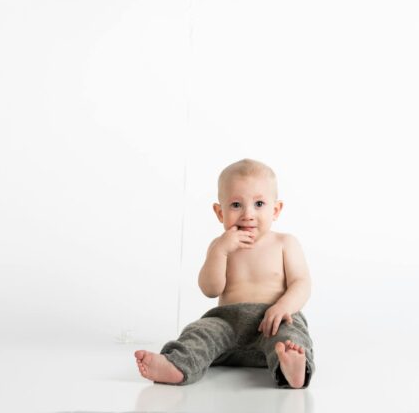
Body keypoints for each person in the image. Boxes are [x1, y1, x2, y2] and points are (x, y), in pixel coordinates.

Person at [135, 158, 315, 388]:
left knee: (290, 336)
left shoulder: (285, 243)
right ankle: (177, 365)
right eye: (236, 205)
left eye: (259, 204)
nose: (248, 214)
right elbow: (210, 290)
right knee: (199, 332)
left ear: (276, 209)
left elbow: (302, 283)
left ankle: (291, 368)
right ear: (220, 213)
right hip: (227, 323)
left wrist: (283, 307)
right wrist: (220, 251)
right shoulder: (220, 246)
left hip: (273, 322)